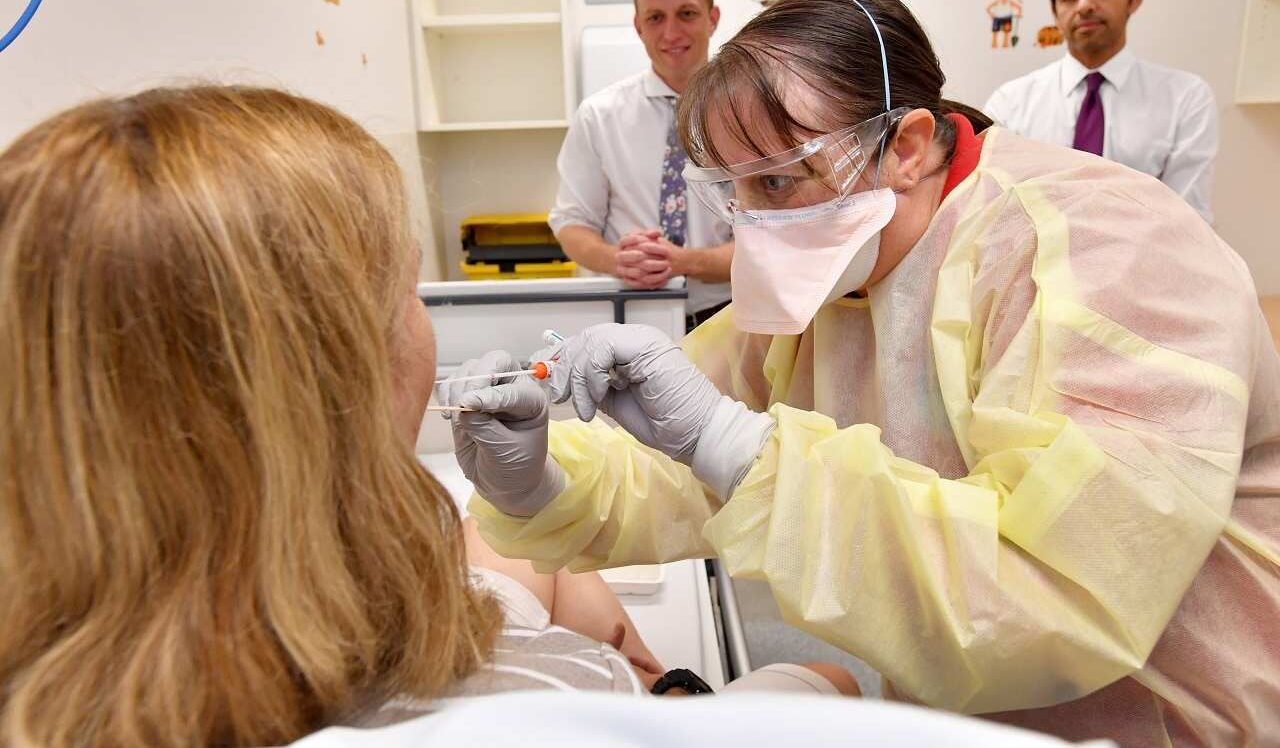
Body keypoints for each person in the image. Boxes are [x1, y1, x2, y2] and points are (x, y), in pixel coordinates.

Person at [445, 0, 1280, 746]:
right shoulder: (836, 269)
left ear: (906, 145)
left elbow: (1055, 592)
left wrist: (737, 446)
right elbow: (683, 464)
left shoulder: (1108, 250)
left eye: (778, 182)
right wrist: (541, 480)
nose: (750, 224)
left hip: (1180, 719)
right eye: (732, 192)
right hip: (959, 711)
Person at [0, 86, 857, 746]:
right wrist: (658, 699)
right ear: (335, 378)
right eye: (406, 289)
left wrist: (539, 491)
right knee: (826, 681)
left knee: (494, 542)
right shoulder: (545, 703)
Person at [550, 0, 734, 331]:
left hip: (728, 319)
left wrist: (685, 262)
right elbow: (572, 225)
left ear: (712, 18)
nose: (671, 33)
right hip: (630, 318)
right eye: (655, 18)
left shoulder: (748, 115)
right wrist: (617, 260)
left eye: (686, 13)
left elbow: (768, 238)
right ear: (638, 26)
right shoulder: (598, 117)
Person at [983, 0, 1218, 223]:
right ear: (1055, 10)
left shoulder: (1186, 99)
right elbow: (991, 213)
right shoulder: (1009, 104)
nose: (1085, 5)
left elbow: (1188, 222)